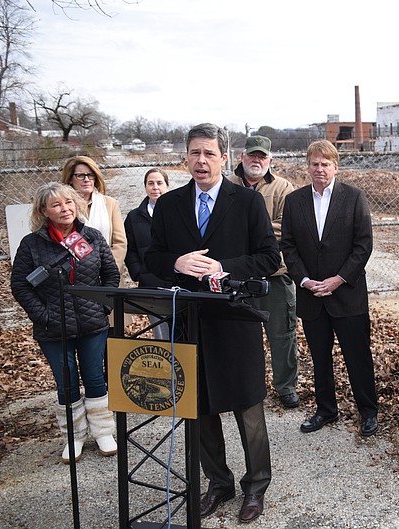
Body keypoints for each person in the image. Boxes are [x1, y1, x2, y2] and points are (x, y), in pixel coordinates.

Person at [144, 123, 280, 522]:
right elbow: (150, 258)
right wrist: (176, 262)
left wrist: (223, 266)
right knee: (200, 408)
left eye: (208, 154)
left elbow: (270, 257)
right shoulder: (168, 206)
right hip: (190, 321)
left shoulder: (248, 202)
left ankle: (256, 486)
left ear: (224, 157)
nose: (200, 161)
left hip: (235, 320)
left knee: (248, 408)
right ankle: (217, 483)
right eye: (193, 153)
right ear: (185, 158)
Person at [11, 182, 120, 464]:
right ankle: (74, 436)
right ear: (44, 211)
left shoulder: (93, 237)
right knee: (67, 381)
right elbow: (21, 286)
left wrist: (103, 305)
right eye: (57, 205)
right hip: (52, 327)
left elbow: (110, 274)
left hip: (91, 322)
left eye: (69, 203)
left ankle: (103, 431)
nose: (65, 209)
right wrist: (43, 315)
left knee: (95, 377)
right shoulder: (32, 245)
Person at [280, 139, 379, 437]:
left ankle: (368, 411)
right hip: (312, 296)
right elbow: (288, 245)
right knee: (319, 358)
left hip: (346, 294)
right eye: (315, 163)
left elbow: (363, 246)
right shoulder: (295, 201)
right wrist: (305, 280)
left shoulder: (354, 197)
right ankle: (326, 409)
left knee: (357, 356)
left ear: (336, 166)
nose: (319, 168)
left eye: (325, 164)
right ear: (307, 166)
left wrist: (339, 279)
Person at [227, 135, 300, 409]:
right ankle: (240, 386)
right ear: (241, 157)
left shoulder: (283, 188)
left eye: (262, 157)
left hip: (274, 273)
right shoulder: (227, 185)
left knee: (282, 334)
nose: (256, 160)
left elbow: (287, 226)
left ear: (270, 161)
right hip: (236, 276)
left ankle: (286, 387)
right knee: (237, 336)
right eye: (251, 155)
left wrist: (250, 231)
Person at [124, 168, 172, 340]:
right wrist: (139, 273)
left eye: (160, 183)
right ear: (145, 187)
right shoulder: (134, 217)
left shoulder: (178, 212)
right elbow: (130, 250)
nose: (155, 188)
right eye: (150, 183)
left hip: (175, 282)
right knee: (160, 332)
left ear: (167, 186)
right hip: (150, 282)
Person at [61, 155, 127, 274]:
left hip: (109, 273)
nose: (86, 179)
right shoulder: (63, 207)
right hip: (75, 274)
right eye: (80, 175)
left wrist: (109, 269)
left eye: (90, 175)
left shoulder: (110, 204)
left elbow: (119, 243)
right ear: (70, 179)